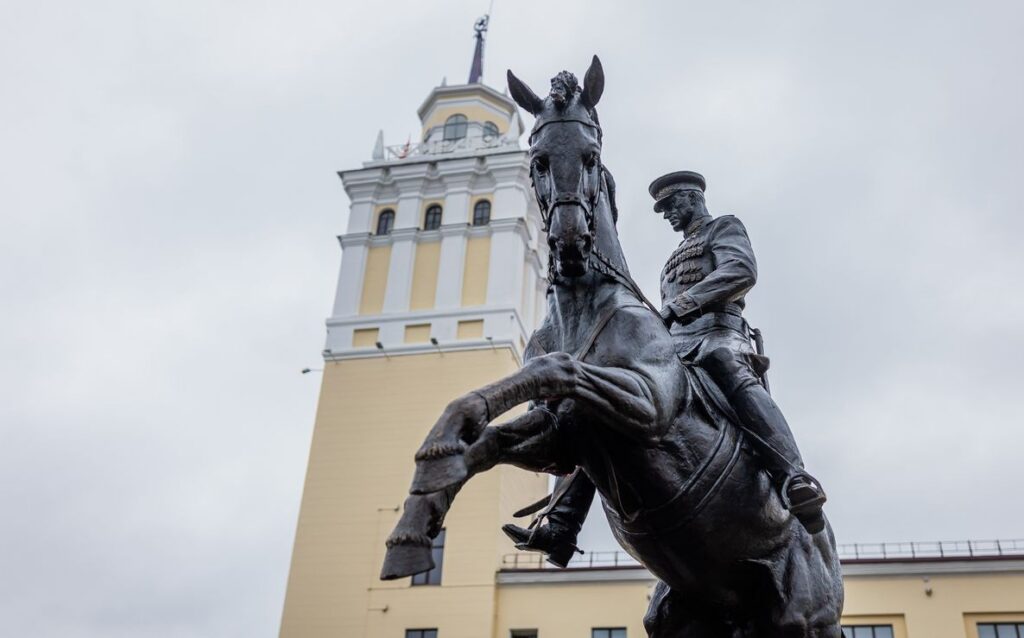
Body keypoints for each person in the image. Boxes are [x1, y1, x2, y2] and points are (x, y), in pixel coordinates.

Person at [502, 171, 827, 566]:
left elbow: (741, 272)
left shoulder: (723, 227)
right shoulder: (671, 259)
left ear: (692, 198)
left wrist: (681, 306)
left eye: (673, 206)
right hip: (676, 347)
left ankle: (794, 476)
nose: (669, 215)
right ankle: (562, 525)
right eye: (663, 209)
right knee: (606, 408)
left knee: (728, 368)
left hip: (721, 334)